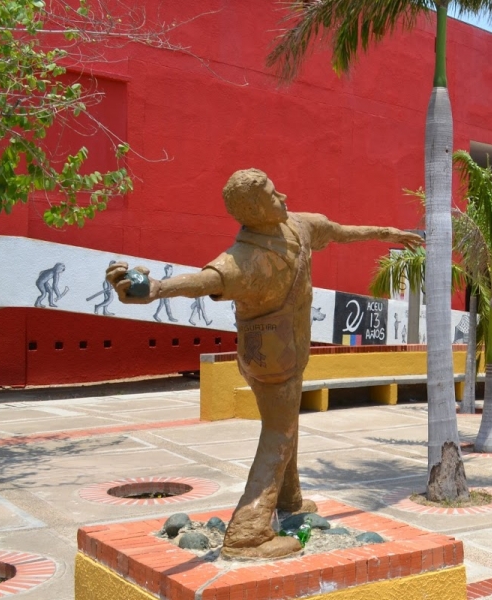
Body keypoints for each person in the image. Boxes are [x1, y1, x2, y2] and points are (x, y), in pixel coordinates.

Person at [106, 168, 422, 559]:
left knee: (284, 423)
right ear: (254, 210)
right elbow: (204, 281)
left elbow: (340, 231)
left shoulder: (298, 227)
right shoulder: (244, 259)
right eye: (273, 195)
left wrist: (387, 234)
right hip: (273, 360)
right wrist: (155, 289)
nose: (283, 196)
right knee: (279, 433)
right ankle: (248, 532)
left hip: (276, 351)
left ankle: (290, 500)